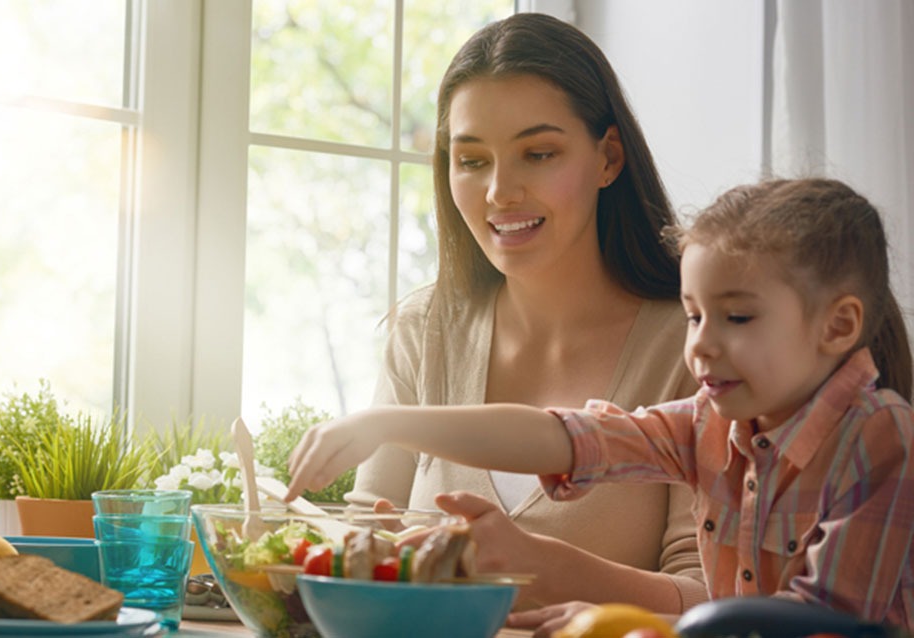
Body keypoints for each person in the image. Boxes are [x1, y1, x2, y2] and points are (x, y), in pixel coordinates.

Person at [288, 178, 914, 634]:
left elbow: (828, 622)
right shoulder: (709, 421)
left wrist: (632, 623)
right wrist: (385, 424)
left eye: (738, 317)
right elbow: (563, 438)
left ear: (838, 326)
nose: (701, 344)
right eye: (694, 316)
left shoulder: (880, 437)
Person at [343, 11, 708, 614]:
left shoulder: (695, 346)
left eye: (538, 154)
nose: (500, 192)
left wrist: (545, 567)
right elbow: (366, 536)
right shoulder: (424, 331)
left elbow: (720, 599)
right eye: (472, 160)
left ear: (608, 158)